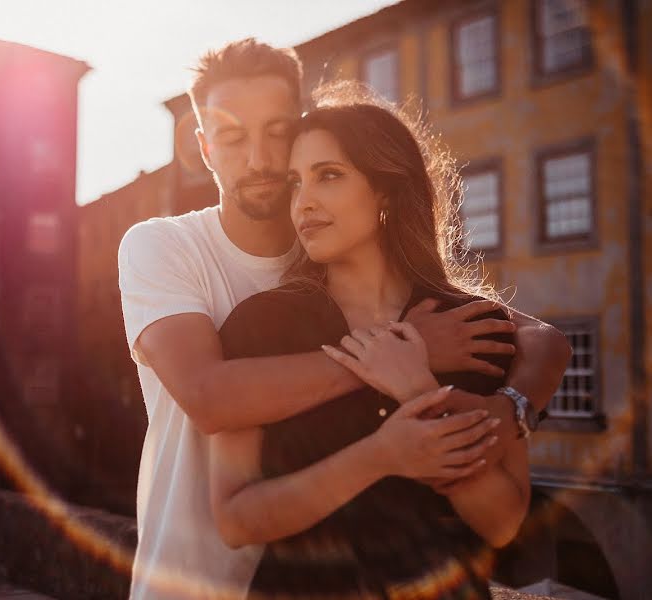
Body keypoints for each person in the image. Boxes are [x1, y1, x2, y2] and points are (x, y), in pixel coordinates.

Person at [117, 39, 571, 599]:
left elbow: (541, 340)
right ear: (206, 149)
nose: (259, 159)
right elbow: (210, 398)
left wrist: (509, 410)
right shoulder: (168, 250)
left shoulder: (367, 269)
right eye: (233, 138)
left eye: (277, 133)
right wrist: (402, 357)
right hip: (190, 584)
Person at [208, 91, 527, 598]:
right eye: (296, 182)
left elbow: (504, 523)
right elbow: (235, 520)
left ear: (385, 190)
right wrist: (381, 455)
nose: (303, 201)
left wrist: (419, 391)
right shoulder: (260, 325)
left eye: (328, 175)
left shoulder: (472, 327)